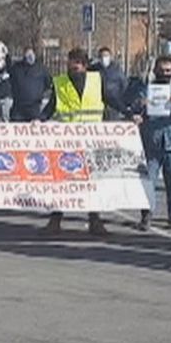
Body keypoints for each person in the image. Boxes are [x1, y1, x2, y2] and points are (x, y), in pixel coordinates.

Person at [41, 48, 112, 237]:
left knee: (92, 182)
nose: (72, 68)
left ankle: (95, 220)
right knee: (63, 182)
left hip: (91, 141)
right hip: (68, 142)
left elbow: (110, 99)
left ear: (85, 65)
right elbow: (51, 107)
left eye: (76, 65)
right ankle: (55, 220)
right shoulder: (60, 82)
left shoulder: (97, 80)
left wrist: (129, 113)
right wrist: (39, 120)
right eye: (70, 64)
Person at [130, 56, 171, 233]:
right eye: (161, 70)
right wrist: (139, 109)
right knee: (149, 181)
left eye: (168, 70)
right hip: (152, 143)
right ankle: (146, 216)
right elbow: (134, 110)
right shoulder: (147, 90)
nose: (164, 73)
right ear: (155, 71)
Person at [9, 46, 51, 122]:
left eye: (31, 54)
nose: (30, 57)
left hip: (34, 107)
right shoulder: (16, 68)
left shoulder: (41, 69)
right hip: (18, 108)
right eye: (27, 55)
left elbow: (48, 84)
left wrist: (39, 93)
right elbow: (10, 80)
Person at [92, 46, 127, 120]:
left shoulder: (117, 69)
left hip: (114, 106)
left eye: (106, 56)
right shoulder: (94, 69)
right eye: (101, 56)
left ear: (110, 57)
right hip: (98, 104)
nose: (104, 58)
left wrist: (121, 101)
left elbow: (124, 85)